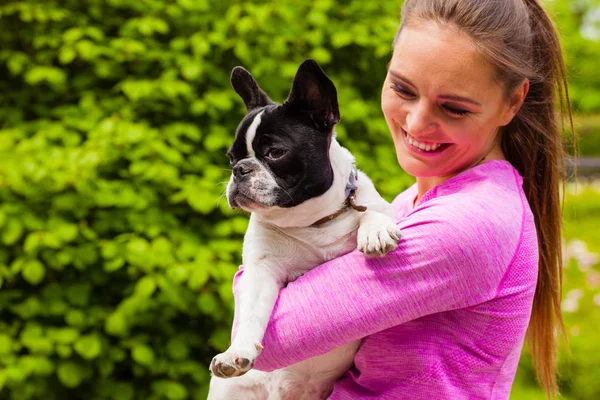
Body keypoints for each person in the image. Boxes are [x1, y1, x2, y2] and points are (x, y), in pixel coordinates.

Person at [231, 0, 575, 398]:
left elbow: (268, 342)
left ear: (512, 102)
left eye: (453, 108)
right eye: (402, 88)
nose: (416, 122)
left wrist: (263, 256)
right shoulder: (412, 201)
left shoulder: (468, 222)